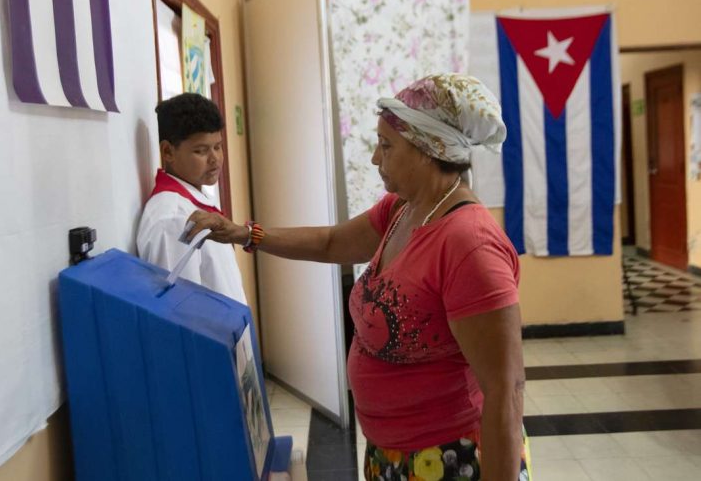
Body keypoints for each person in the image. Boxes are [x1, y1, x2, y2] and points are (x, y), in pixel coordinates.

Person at [183, 74, 531, 480]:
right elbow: (331, 243)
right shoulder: (403, 209)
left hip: (451, 457)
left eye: (387, 146)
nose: (375, 159)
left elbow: (506, 392)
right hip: (393, 453)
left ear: (429, 149)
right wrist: (245, 234)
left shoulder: (470, 246)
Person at [136, 93, 247, 306]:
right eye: (201, 150)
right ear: (168, 151)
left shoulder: (197, 201)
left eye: (218, 146)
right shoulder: (172, 219)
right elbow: (180, 312)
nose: (215, 159)